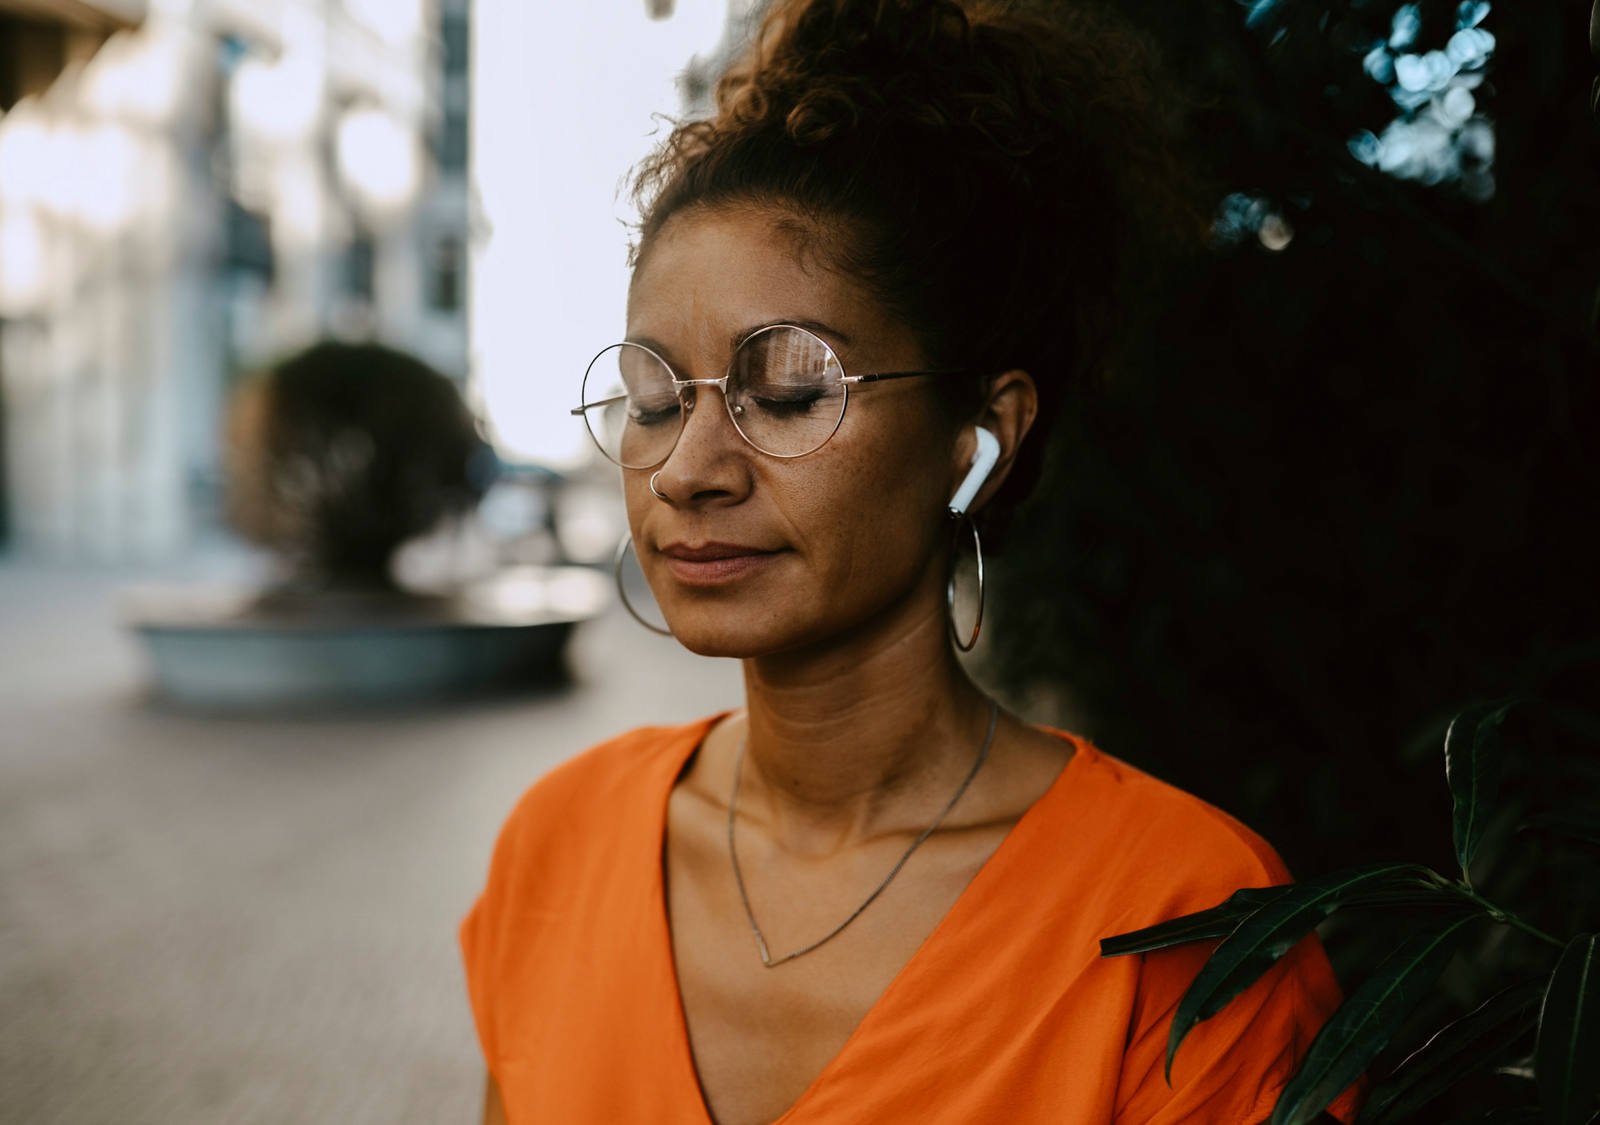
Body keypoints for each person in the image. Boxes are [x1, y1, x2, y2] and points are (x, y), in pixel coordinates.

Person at [460, 1, 1361, 1122]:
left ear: (978, 434)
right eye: (654, 398)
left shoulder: (1182, 918)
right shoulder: (561, 843)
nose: (689, 467)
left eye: (786, 391)